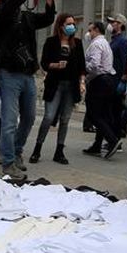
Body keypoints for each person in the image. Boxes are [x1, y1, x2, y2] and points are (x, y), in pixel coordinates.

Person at [0, 0, 56, 180]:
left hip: (27, 74)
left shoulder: (26, 16)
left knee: (28, 117)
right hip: (9, 73)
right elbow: (11, 6)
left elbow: (46, 19)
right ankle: (8, 163)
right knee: (10, 121)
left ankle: (17, 152)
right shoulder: (0, 12)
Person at [29, 13, 85, 165]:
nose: (71, 26)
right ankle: (37, 148)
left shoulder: (77, 43)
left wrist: (82, 82)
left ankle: (59, 151)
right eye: (68, 23)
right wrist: (55, 65)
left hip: (71, 84)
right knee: (48, 117)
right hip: (55, 84)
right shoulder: (51, 42)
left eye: (73, 23)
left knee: (65, 119)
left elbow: (82, 66)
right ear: (61, 26)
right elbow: (44, 62)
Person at [82, 21, 123, 161]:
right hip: (107, 81)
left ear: (97, 30)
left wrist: (83, 68)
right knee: (103, 114)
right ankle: (97, 144)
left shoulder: (96, 44)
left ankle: (112, 140)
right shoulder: (104, 43)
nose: (88, 33)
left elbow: (94, 65)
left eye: (90, 30)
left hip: (99, 81)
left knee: (94, 114)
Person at [107, 13, 127, 131]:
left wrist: (124, 77)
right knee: (111, 109)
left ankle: (115, 137)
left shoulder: (122, 42)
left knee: (115, 110)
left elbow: (125, 59)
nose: (111, 25)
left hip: (117, 80)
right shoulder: (114, 41)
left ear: (120, 25)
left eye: (113, 22)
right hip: (111, 80)